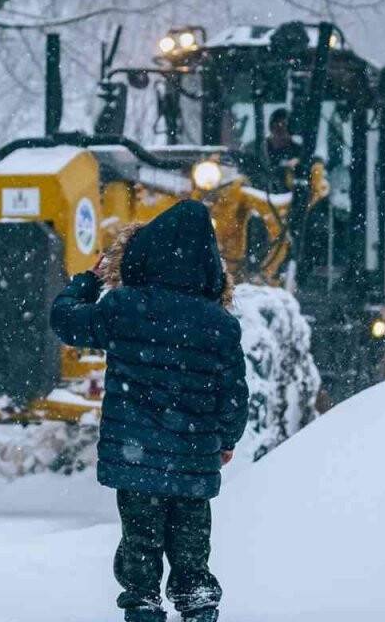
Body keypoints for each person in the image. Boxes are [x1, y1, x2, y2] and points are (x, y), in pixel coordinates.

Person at [50, 200, 249, 622]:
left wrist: (88, 280)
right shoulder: (220, 324)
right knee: (191, 544)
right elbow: (233, 394)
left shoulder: (124, 307)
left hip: (135, 454)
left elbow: (66, 321)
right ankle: (197, 603)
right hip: (194, 457)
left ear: (144, 255)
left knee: (140, 541)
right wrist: (227, 439)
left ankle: (142, 605)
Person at [245, 107, 304, 192]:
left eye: (284, 124)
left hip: (287, 197)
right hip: (262, 194)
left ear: (291, 129)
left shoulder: (299, 152)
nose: (279, 129)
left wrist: (298, 163)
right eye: (276, 125)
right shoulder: (258, 148)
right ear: (271, 127)